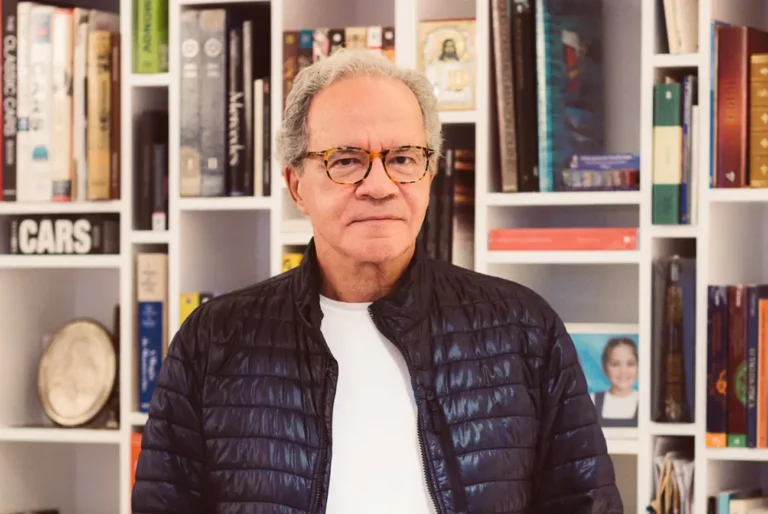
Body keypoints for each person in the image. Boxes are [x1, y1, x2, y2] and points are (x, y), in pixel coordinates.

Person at [131, 48, 623, 514]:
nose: (380, 186)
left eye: (403, 158)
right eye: (346, 160)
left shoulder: (523, 329)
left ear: (430, 174)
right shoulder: (213, 340)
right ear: (296, 186)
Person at [590, 337, 639, 427]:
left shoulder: (646, 403)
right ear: (605, 368)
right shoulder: (592, 401)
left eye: (630, 364)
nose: (623, 371)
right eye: (615, 364)